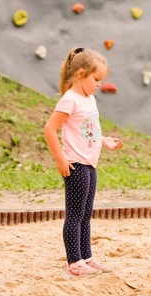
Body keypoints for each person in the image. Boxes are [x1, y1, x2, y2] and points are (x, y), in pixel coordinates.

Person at [43, 47, 124, 278]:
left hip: (90, 163)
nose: (99, 84)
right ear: (81, 74)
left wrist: (104, 140)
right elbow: (49, 129)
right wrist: (60, 160)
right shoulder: (70, 100)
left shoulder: (90, 99)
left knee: (86, 214)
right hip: (75, 165)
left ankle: (86, 257)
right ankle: (74, 262)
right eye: (96, 79)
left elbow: (89, 131)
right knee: (75, 215)